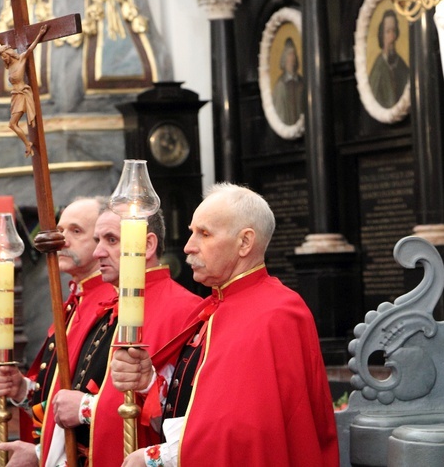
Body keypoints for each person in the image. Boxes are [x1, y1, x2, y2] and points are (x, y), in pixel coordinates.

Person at [111, 182, 339, 466]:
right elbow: (196, 406)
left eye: (204, 234)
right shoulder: (215, 308)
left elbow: (248, 432)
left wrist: (156, 458)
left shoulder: (277, 313)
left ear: (244, 242)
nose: (188, 246)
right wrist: (148, 383)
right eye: (192, 232)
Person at [0, 196, 116, 466]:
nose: (61, 240)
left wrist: (40, 455)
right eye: (60, 230)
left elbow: (101, 404)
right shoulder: (76, 300)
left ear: (104, 240)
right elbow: (58, 396)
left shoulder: (111, 305)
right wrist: (22, 389)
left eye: (76, 231)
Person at [0, 24, 48, 158]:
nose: (3, 58)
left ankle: (28, 144)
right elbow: (1, 49)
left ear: (9, 54)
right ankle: (28, 144)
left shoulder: (21, 60)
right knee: (12, 124)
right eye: (2, 57)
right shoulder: (9, 66)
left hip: (22, 94)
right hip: (15, 96)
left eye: (4, 56)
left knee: (12, 124)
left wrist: (40, 34)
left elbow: (31, 48)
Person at [368, 9, 410, 108]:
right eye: (388, 32)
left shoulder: (401, 64)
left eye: (394, 31)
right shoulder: (378, 68)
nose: (392, 37)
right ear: (382, 35)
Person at [272, 37, 304, 125]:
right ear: (285, 59)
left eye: (294, 55)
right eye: (290, 55)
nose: (292, 58)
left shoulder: (302, 82)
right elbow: (279, 115)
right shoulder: (280, 85)